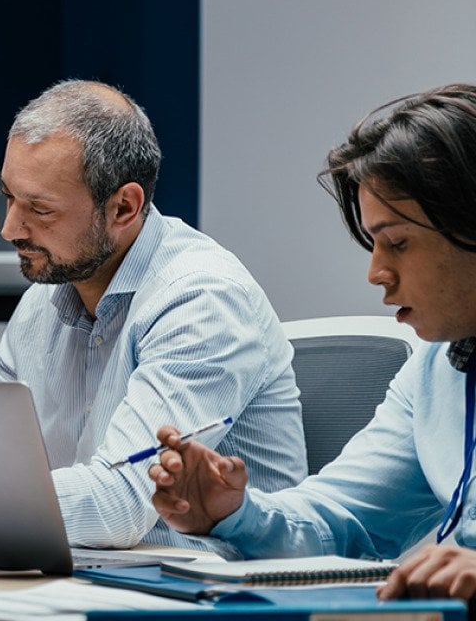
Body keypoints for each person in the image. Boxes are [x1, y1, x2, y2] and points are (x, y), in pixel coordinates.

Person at [0, 80, 307, 549]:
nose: (9, 229)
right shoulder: (46, 296)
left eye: (39, 210)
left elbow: (120, 505)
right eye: (8, 198)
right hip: (82, 580)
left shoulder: (202, 298)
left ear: (124, 208)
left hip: (207, 595)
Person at [151, 83, 476, 603]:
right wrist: (233, 513)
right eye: (373, 244)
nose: (376, 272)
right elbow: (343, 521)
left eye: (397, 242)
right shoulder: (438, 367)